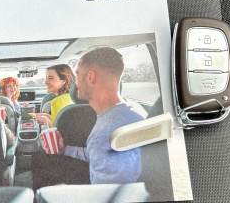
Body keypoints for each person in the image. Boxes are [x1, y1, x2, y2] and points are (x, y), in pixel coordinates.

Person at [32, 47, 147, 188]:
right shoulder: (129, 108)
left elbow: (107, 195)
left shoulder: (109, 128)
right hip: (103, 178)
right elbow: (98, 154)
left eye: (77, 75)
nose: (74, 84)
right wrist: (65, 149)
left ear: (90, 77)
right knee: (42, 157)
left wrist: (57, 191)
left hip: (106, 192)